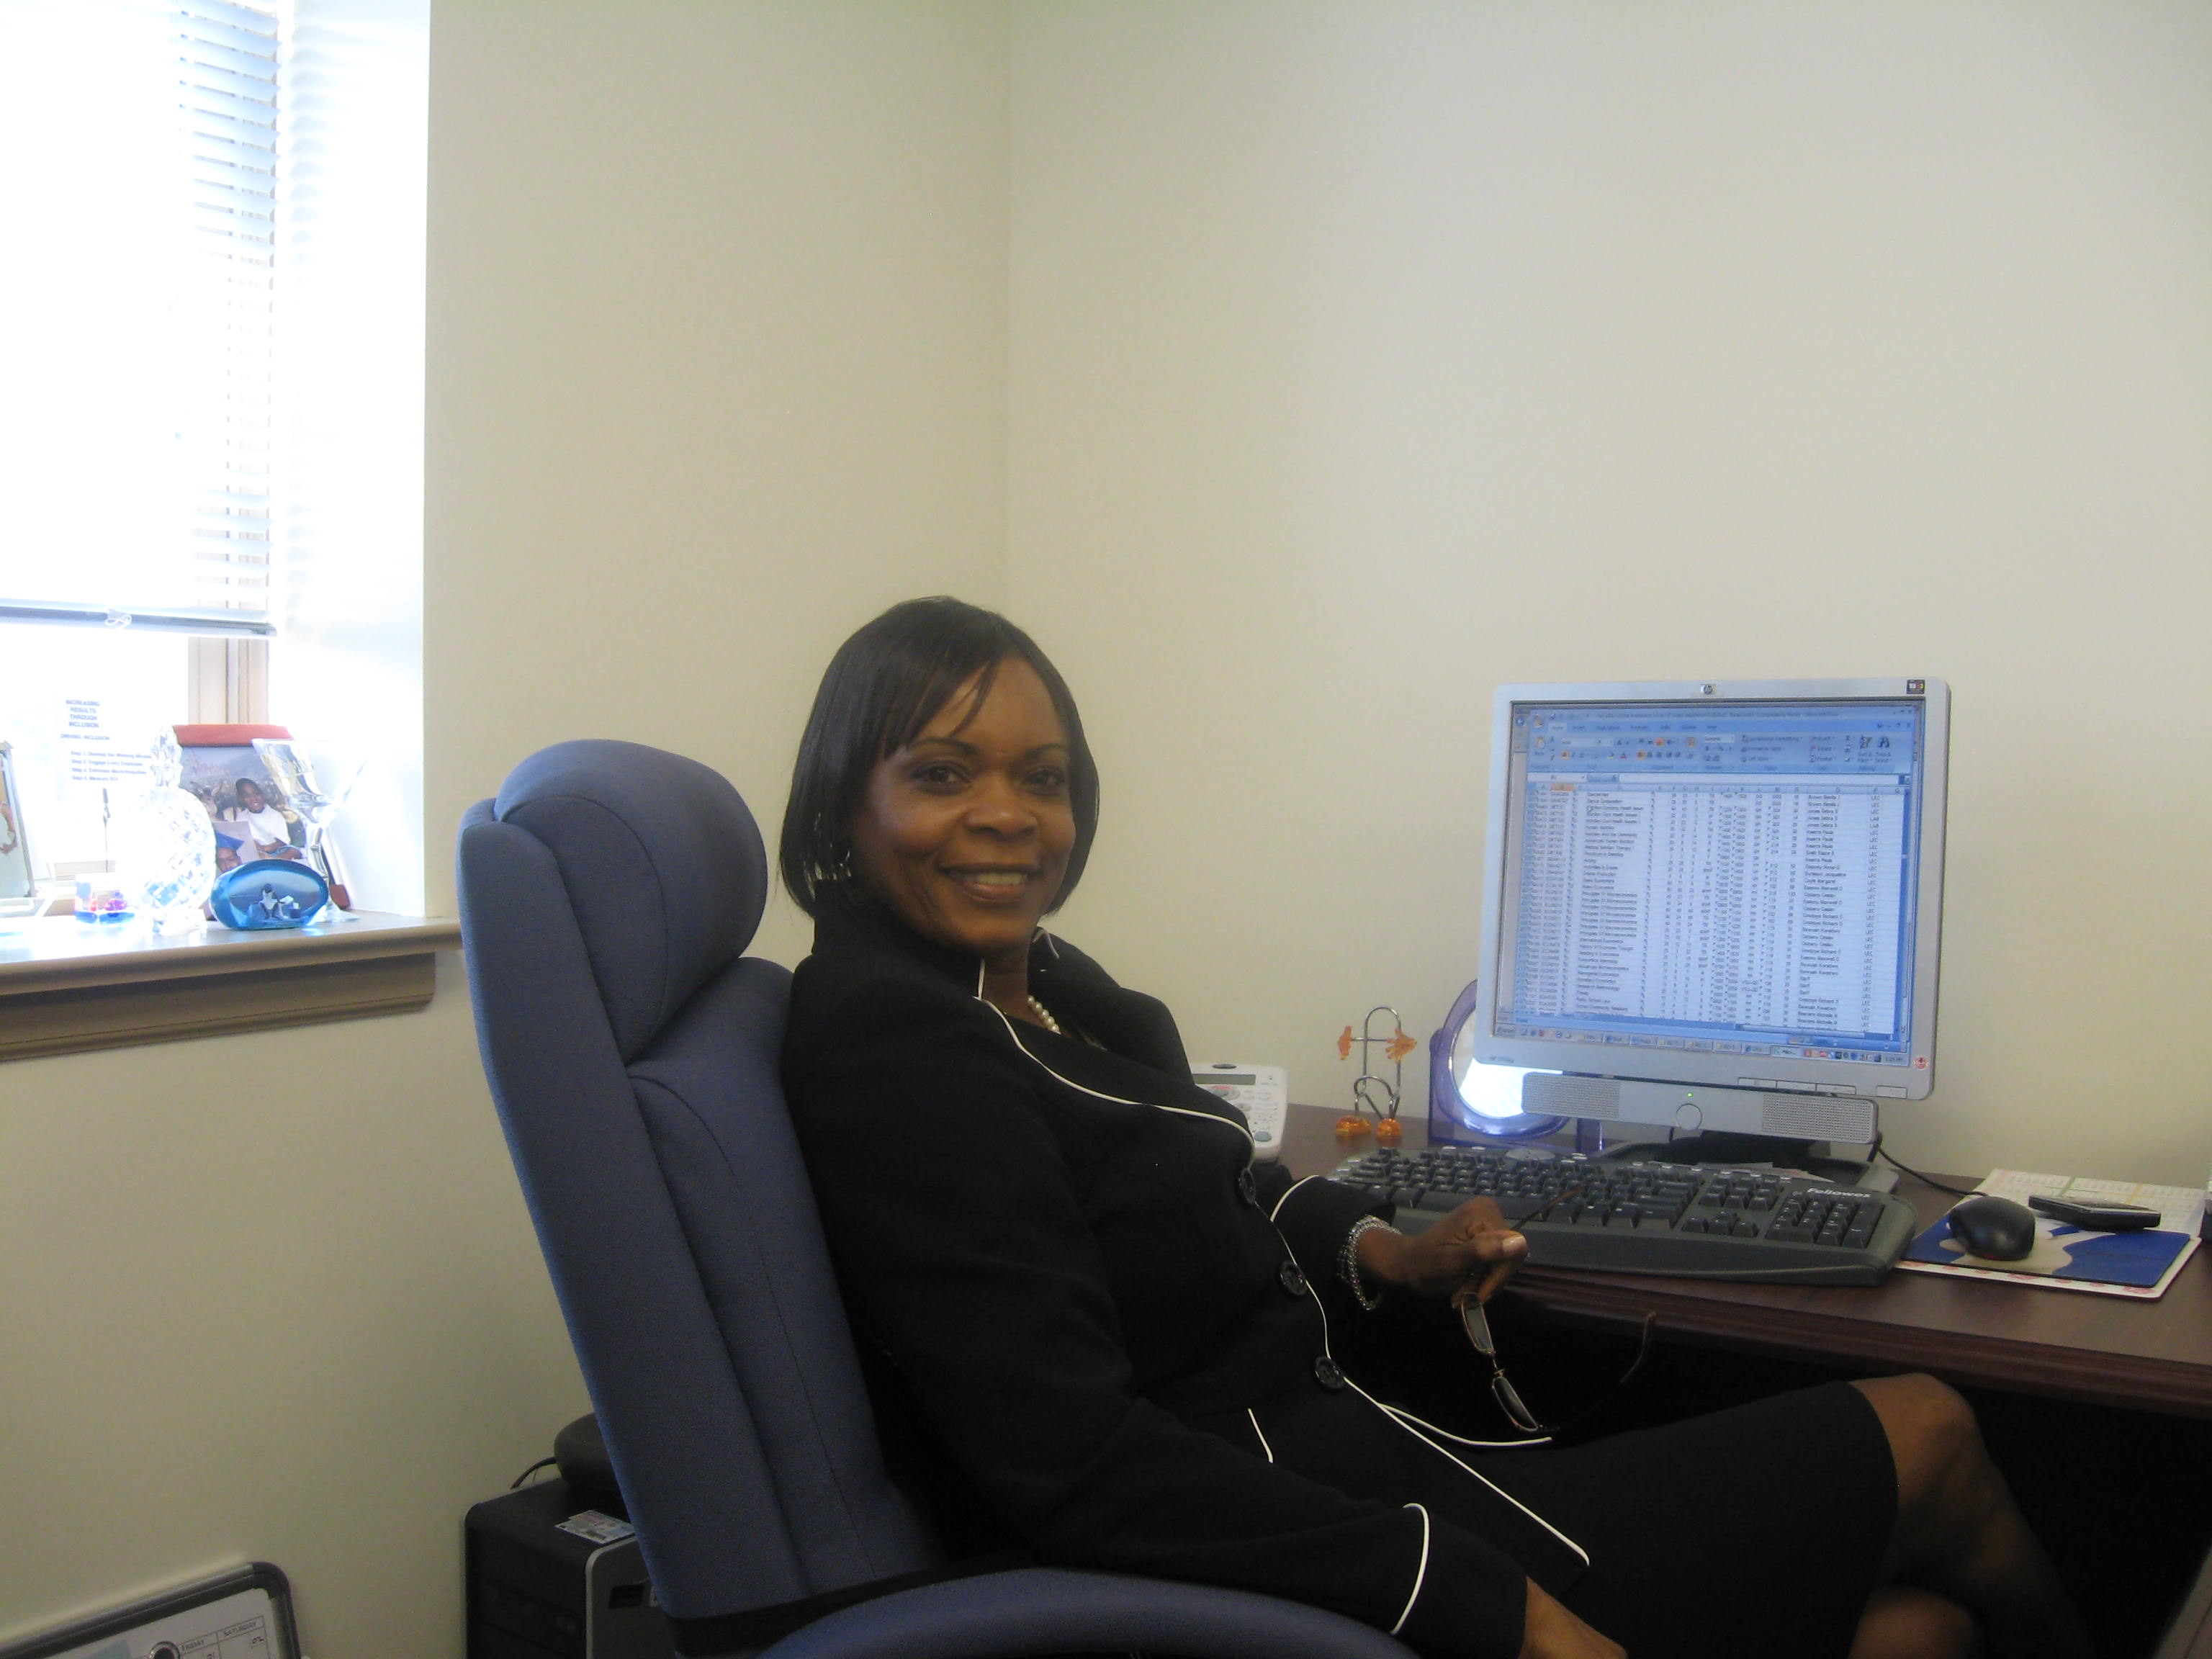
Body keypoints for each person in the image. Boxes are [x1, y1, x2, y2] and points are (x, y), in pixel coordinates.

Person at [777, 597, 2089, 1659]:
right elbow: (1075, 1461)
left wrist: (1385, 1250)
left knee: (1919, 1633)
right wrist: (1480, 1598)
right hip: (1275, 1534)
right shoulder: (895, 1045)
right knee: (1930, 1430)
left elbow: (1208, 1187)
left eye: (1043, 776)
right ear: (843, 800)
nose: (1008, 814)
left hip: (1340, 1454)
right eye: (941, 774)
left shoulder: (1038, 986)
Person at [225, 778, 303, 861]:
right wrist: (255, 847)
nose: (254, 798)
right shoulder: (242, 817)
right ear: (241, 799)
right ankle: (272, 861)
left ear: (262, 794)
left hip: (279, 851)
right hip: (258, 854)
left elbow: (283, 842)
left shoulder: (274, 815)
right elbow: (244, 842)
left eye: (256, 794)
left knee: (293, 851)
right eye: (247, 796)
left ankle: (273, 860)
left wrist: (265, 848)